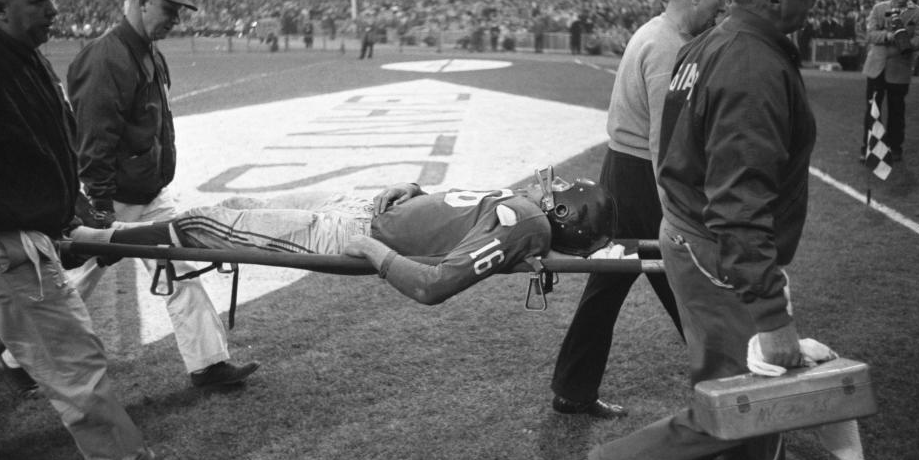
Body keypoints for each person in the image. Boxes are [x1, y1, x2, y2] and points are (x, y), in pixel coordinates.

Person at [559, 0, 842, 460]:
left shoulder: (706, 45)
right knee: (748, 402)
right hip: (715, 250)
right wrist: (771, 312)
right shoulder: (746, 63)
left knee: (743, 396)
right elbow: (736, 198)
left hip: (691, 237)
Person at [0, 0, 186, 460]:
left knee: (10, 339)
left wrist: (71, 213)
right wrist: (24, 218)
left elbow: (47, 146)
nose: (55, 8)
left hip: (28, 228)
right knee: (72, 355)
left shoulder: (23, 52)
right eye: (40, 0)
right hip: (4, 240)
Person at [549, 0, 727, 420]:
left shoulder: (653, 32)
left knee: (611, 284)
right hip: (644, 176)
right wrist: (673, 198)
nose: (722, 7)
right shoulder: (667, 45)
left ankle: (572, 390)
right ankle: (729, 386)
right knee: (684, 281)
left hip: (624, 171)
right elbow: (662, 134)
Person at [65, 0, 259, 389]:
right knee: (74, 282)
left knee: (181, 266)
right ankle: (14, 356)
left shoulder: (149, 53)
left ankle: (209, 365)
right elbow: (94, 137)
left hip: (147, 193)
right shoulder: (106, 57)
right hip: (111, 198)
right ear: (141, 3)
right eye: (169, 9)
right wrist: (99, 206)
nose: (177, 19)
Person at [69, 169, 615, 306]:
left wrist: (375, 252)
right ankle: (106, 239)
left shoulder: (529, 224)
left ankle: (100, 238)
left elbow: (432, 286)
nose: (547, 191)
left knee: (206, 223)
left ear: (564, 217)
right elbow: (460, 213)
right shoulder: (528, 222)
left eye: (558, 195)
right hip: (361, 207)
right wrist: (417, 188)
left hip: (350, 229)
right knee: (231, 208)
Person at [860, 0, 919, 162]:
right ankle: (869, 147)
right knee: (872, 109)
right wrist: (890, 36)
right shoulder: (879, 8)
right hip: (876, 67)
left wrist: (904, 41)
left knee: (897, 110)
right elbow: (870, 35)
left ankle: (895, 148)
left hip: (899, 70)